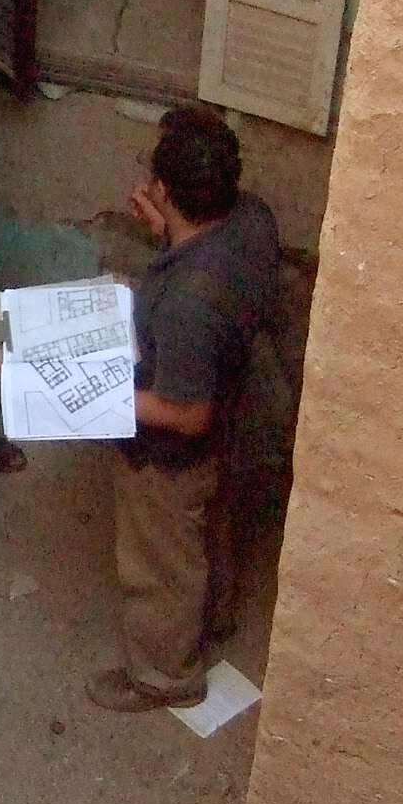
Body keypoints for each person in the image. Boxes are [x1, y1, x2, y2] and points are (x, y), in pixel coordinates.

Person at [87, 107, 281, 713]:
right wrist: (169, 231)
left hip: (173, 455)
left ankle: (165, 675)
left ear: (165, 191)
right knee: (210, 528)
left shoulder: (188, 304)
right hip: (238, 411)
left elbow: (187, 414)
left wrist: (99, 396)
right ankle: (213, 618)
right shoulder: (252, 219)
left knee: (160, 561)